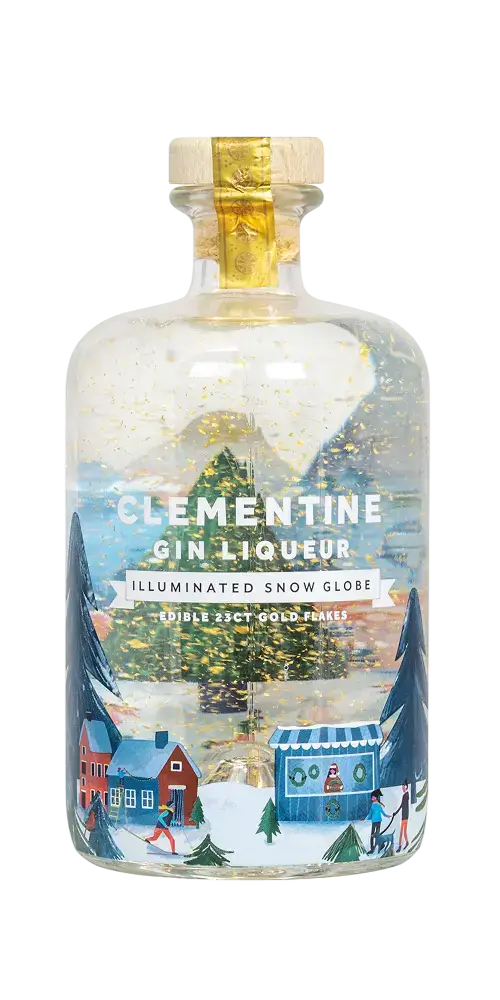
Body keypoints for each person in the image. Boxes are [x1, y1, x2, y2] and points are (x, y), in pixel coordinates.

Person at [366, 789, 391, 854]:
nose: (372, 798)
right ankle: (372, 849)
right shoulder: (373, 805)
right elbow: (370, 813)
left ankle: (381, 845)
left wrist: (386, 815)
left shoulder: (378, 805)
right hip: (374, 822)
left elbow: (382, 812)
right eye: (371, 797)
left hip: (378, 821)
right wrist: (365, 818)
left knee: (377, 835)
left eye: (373, 797)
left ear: (376, 797)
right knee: (372, 835)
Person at [393, 781, 410, 852]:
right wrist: (396, 813)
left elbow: (402, 805)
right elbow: (402, 806)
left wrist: (396, 813)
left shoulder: (406, 795)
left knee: (401, 832)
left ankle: (400, 846)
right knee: (404, 831)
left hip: (404, 816)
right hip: (405, 815)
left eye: (403, 787)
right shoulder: (406, 795)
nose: (402, 788)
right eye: (402, 787)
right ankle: (407, 842)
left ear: (406, 787)